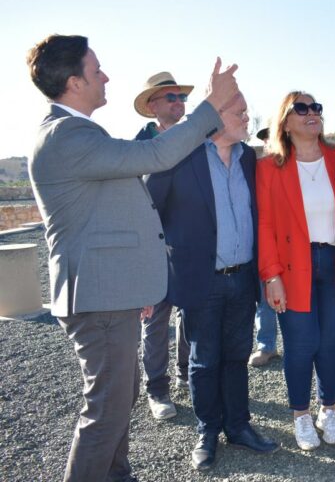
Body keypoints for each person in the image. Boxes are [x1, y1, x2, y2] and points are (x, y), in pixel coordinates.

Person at [27, 33, 238, 482]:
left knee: (118, 402)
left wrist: (135, 283)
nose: (105, 76)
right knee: (106, 410)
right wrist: (211, 106)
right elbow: (156, 154)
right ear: (73, 82)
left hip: (108, 292)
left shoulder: (76, 133)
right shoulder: (66, 135)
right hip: (96, 297)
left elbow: (109, 217)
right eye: (96, 69)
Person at [146, 92, 279, 470]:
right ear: (215, 116)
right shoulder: (178, 155)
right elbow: (148, 213)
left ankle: (238, 426)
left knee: (236, 357)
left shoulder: (249, 157)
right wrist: (151, 277)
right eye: (240, 112)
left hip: (243, 279)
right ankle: (207, 432)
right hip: (200, 281)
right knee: (204, 361)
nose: (248, 118)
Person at [259, 91, 335, 450]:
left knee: (331, 342)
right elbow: (265, 226)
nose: (311, 113)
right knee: (301, 344)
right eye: (301, 108)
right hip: (293, 266)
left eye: (315, 107)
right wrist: (272, 275)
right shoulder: (269, 167)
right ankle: (301, 414)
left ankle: (328, 409)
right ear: (285, 122)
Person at [133, 71, 195, 421]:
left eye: (181, 97)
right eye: (171, 97)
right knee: (155, 320)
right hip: (152, 249)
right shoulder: (137, 148)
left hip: (188, 246)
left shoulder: (195, 141)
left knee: (189, 314)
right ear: (152, 105)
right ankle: (157, 388)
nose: (178, 102)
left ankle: (186, 373)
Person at [248, 125, 279, 367]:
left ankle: (307, 345)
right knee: (265, 296)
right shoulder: (256, 169)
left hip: (296, 243)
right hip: (264, 243)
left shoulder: (302, 165)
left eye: (273, 137)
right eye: (266, 139)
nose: (269, 143)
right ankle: (267, 346)